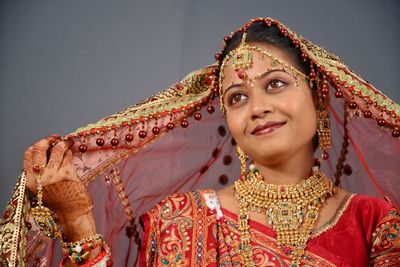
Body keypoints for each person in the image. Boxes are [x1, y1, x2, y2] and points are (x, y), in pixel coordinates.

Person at [0, 17, 399, 267]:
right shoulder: (181, 219)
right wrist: (77, 223)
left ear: (317, 96)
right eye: (237, 98)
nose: (257, 107)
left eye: (274, 84)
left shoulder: (375, 222)